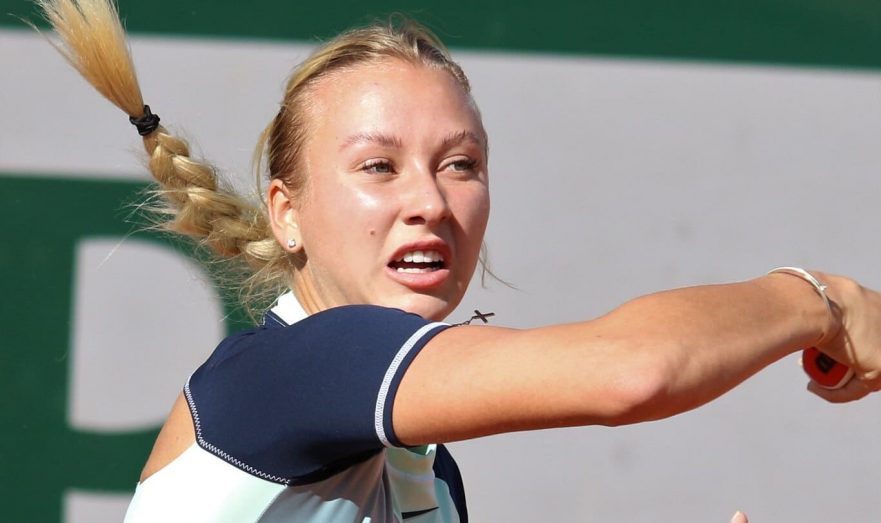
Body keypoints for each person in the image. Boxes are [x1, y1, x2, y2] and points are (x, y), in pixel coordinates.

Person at [37, 0, 881, 521]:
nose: (431, 202)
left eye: (460, 164)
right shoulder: (301, 366)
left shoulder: (427, 473)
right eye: (378, 166)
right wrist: (822, 299)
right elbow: (632, 371)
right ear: (286, 212)